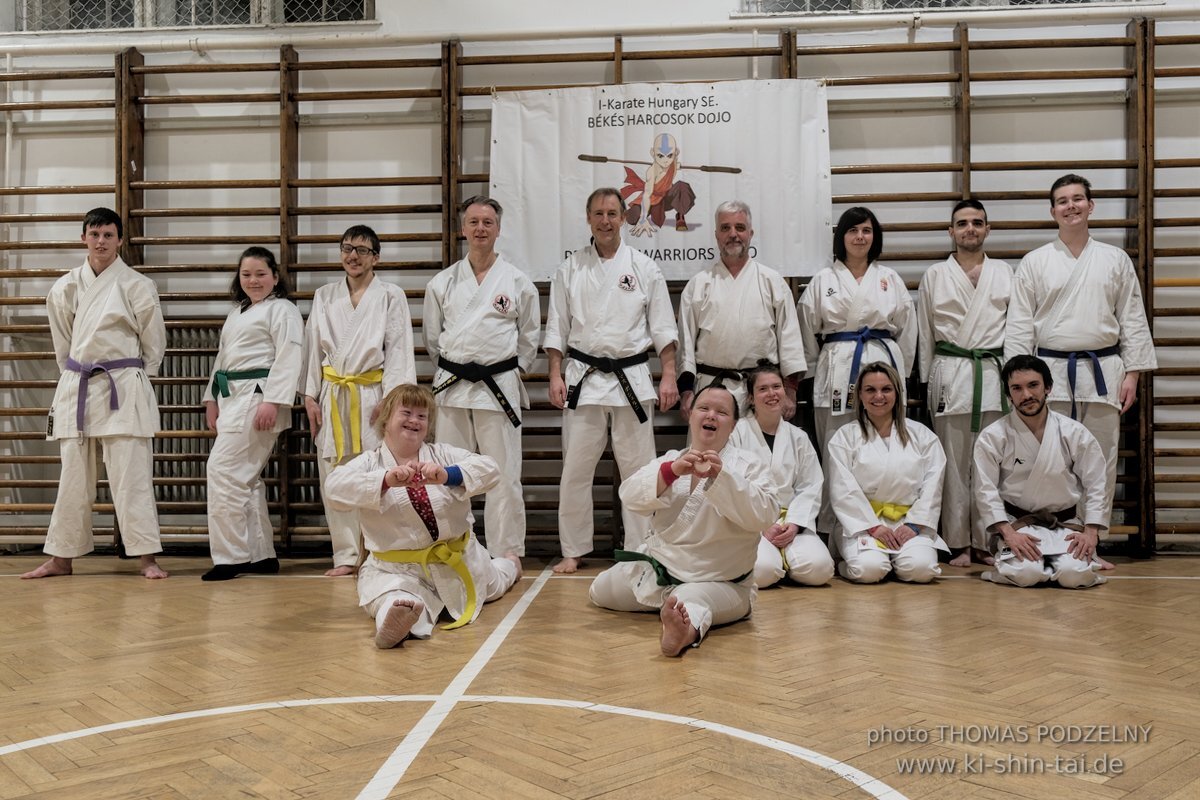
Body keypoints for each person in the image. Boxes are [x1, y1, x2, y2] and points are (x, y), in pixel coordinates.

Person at [1006, 174, 1156, 561]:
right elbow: (1020, 325)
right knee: (1052, 459)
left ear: (1091, 206)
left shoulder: (1114, 259)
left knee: (1100, 459)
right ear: (1052, 210)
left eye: (1078, 199)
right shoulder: (1036, 262)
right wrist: (1020, 382)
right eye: (1062, 200)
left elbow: (1132, 318)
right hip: (1049, 374)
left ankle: (1090, 544)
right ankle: (1048, 540)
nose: (1070, 206)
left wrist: (1134, 373)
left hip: (1104, 369)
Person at [22, 207, 168, 580]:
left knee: (131, 474)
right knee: (72, 476)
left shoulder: (137, 284)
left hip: (123, 384)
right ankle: (61, 557)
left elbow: (154, 345)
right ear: (83, 238)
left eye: (108, 234)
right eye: (95, 234)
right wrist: (75, 376)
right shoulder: (65, 287)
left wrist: (137, 379)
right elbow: (63, 347)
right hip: (79, 383)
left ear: (120, 239)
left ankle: (147, 557)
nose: (101, 241)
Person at [323, 384, 522, 648]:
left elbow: (491, 468)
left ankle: (510, 564)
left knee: (498, 581)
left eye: (422, 416)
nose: (414, 420)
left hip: (461, 561)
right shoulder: (370, 464)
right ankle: (393, 620)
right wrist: (385, 480)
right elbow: (334, 488)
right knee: (395, 596)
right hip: (396, 570)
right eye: (406, 412)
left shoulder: (442, 455)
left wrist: (447, 475)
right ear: (386, 420)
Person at [544, 187, 679, 574]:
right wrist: (555, 375)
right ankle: (574, 548)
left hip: (632, 378)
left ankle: (640, 547)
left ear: (624, 218)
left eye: (612, 214)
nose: (605, 221)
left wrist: (668, 375)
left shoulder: (644, 267)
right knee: (575, 469)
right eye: (599, 214)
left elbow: (663, 330)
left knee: (639, 470)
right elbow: (557, 328)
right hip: (583, 377)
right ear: (588, 219)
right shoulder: (569, 269)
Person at [589, 384, 778, 657]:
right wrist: (671, 473)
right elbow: (629, 496)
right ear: (691, 415)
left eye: (722, 412)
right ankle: (669, 604)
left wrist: (721, 477)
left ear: (734, 425)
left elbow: (765, 513)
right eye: (704, 408)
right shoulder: (671, 460)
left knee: (691, 601)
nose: (711, 415)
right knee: (600, 590)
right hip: (662, 573)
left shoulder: (749, 466)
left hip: (721, 582)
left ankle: (682, 632)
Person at [423, 196, 539, 559]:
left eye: (488, 222)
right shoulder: (442, 283)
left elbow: (529, 338)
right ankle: (451, 547)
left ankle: (507, 552)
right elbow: (432, 339)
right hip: (452, 387)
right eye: (473, 222)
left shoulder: (518, 282)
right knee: (447, 473)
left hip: (497, 388)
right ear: (463, 229)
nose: (480, 229)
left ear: (498, 229)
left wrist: (505, 370)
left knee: (503, 475)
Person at [302, 225, 415, 577]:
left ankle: (380, 553)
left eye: (362, 250)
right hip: (333, 393)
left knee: (377, 474)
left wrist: (394, 400)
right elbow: (311, 348)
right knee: (335, 475)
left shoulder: (390, 295)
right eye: (347, 248)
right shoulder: (324, 295)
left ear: (375, 257)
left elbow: (399, 348)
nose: (353, 255)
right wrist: (310, 395)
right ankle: (346, 556)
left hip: (373, 396)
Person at [916, 199, 1013, 567]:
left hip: (993, 373)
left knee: (992, 464)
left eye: (977, 222)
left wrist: (1015, 379)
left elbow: (1018, 329)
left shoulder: (1005, 273)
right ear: (951, 231)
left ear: (987, 229)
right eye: (962, 223)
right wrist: (927, 381)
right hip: (950, 375)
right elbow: (925, 333)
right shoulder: (935, 276)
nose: (970, 228)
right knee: (952, 464)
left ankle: (991, 540)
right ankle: (957, 542)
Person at [201, 247, 303, 581]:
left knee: (222, 470)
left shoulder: (282, 309)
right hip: (232, 397)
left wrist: (274, 401)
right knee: (246, 478)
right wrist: (211, 399)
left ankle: (231, 557)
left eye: (261, 274)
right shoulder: (238, 313)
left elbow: (290, 355)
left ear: (275, 276)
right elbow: (222, 359)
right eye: (246, 274)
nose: (253, 280)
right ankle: (260, 555)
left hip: (259, 396)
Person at [974, 355, 1108, 589]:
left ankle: (1067, 564)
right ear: (1008, 395)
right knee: (1027, 573)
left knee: (1072, 575)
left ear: (1048, 387)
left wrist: (1090, 532)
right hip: (1019, 524)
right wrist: (1008, 534)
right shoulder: (993, 436)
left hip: (1065, 523)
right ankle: (1007, 565)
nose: (1026, 395)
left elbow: (1097, 483)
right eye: (1017, 388)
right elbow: (985, 490)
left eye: (1033, 385)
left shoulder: (1073, 432)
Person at [798, 206, 916, 459]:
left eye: (866, 230)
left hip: (882, 361)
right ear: (841, 236)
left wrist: (901, 371)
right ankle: (836, 498)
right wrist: (810, 371)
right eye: (853, 230)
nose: (860, 237)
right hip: (837, 363)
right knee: (835, 441)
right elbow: (806, 328)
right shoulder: (823, 279)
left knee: (885, 440)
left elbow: (907, 328)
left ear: (875, 237)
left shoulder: (890, 278)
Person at [677, 201, 806, 416]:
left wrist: (790, 391)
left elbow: (790, 339)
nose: (733, 234)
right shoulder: (698, 285)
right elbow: (685, 345)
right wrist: (687, 391)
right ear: (716, 234)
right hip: (711, 388)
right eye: (725, 228)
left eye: (740, 227)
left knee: (763, 449)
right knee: (710, 449)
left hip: (763, 389)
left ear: (750, 233)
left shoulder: (772, 281)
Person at [826, 362, 947, 584]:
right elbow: (843, 490)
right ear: (860, 395)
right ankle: (846, 564)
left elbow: (933, 486)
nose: (878, 396)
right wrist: (873, 526)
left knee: (921, 570)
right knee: (869, 570)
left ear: (897, 393)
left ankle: (897, 560)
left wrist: (914, 525)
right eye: (870, 390)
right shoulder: (844, 437)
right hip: (863, 523)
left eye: (886, 389)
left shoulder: (923, 436)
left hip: (908, 522)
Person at [729, 362, 832, 588]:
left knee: (820, 570)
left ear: (785, 392)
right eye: (763, 389)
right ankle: (776, 561)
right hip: (753, 523)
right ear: (750, 398)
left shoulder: (798, 437)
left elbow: (811, 485)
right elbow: (732, 485)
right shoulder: (736, 434)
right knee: (763, 572)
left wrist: (794, 524)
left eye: (776, 387)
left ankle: (787, 559)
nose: (771, 394)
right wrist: (762, 525)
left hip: (791, 520)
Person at [623, 133, 696, 236]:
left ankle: (680, 215)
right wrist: (643, 218)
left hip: (667, 199)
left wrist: (677, 163)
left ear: (675, 153)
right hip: (652, 200)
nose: (665, 160)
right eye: (660, 156)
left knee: (682, 186)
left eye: (670, 155)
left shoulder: (673, 163)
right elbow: (647, 195)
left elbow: (675, 163)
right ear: (653, 153)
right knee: (632, 218)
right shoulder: (651, 172)